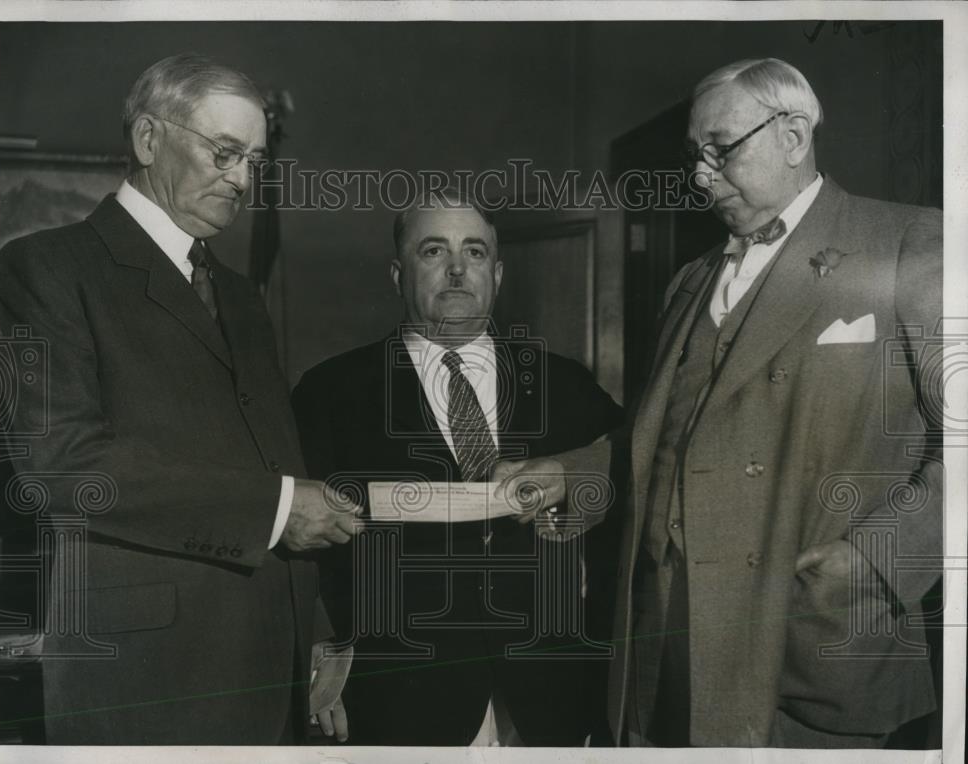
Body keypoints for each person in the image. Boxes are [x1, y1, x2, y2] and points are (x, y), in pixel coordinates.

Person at [493, 58, 943, 748]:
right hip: (665, 648)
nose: (702, 176)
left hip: (808, 646)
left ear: (794, 136)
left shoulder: (911, 243)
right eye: (694, 157)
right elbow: (670, 438)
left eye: (721, 149)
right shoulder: (690, 279)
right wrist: (570, 473)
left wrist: (873, 564)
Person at [0, 53, 358, 745]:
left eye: (254, 161)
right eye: (225, 152)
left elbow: (274, 462)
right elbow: (63, 465)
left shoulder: (241, 297)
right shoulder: (44, 267)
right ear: (148, 139)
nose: (243, 180)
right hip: (145, 679)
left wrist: (311, 628)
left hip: (273, 669)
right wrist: (278, 510)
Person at [290, 188, 624, 745]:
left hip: (552, 696)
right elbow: (295, 545)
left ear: (498, 273)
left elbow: (633, 483)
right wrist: (316, 644)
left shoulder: (564, 384)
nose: (456, 269)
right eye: (433, 251)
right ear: (397, 274)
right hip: (398, 698)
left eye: (474, 251)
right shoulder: (330, 393)